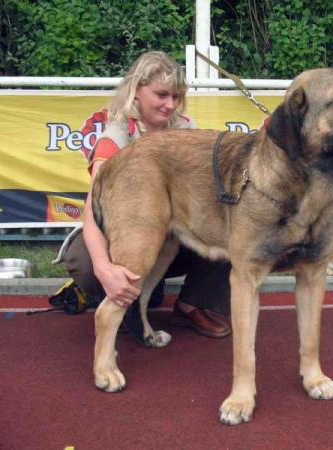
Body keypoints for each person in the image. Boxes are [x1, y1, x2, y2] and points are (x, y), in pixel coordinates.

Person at [60, 51, 231, 338]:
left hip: (176, 233)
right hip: (128, 235)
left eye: (176, 97)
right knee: (86, 264)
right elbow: (91, 213)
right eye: (162, 94)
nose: (170, 105)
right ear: (137, 90)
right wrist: (104, 270)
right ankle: (120, 291)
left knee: (234, 225)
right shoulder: (115, 137)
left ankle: (193, 305)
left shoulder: (186, 130)